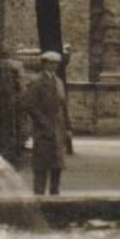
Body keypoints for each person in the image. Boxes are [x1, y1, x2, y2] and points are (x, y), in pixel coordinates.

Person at [23, 51, 72, 195]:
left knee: (57, 163)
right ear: (44, 63)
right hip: (43, 129)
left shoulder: (59, 82)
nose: (54, 66)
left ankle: (54, 194)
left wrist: (68, 127)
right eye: (50, 63)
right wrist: (42, 121)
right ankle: (39, 195)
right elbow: (28, 104)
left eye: (56, 63)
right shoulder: (37, 82)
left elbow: (63, 106)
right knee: (41, 163)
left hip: (58, 128)